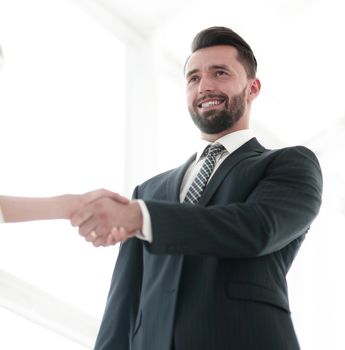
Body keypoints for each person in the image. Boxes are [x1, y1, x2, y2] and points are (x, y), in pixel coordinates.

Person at [71, 26, 323, 350]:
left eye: (220, 73)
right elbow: (123, 304)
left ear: (253, 87)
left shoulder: (290, 165)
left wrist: (143, 218)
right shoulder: (147, 192)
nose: (204, 86)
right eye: (193, 78)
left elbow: (256, 228)